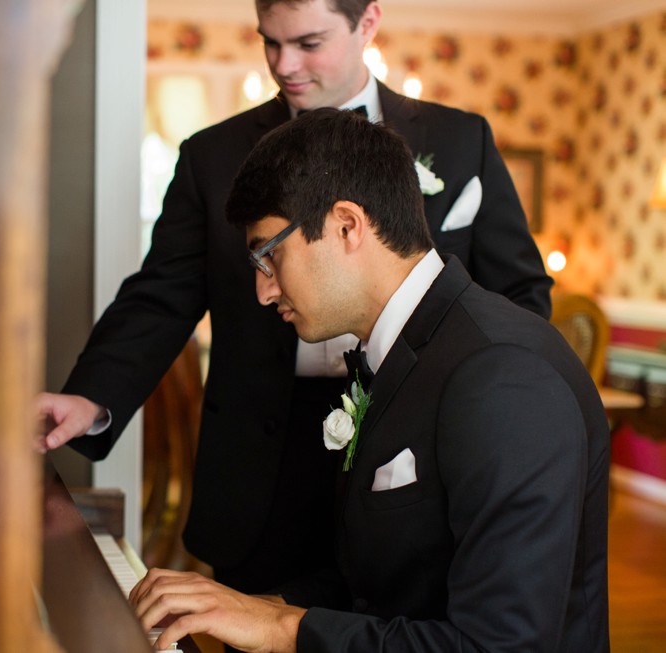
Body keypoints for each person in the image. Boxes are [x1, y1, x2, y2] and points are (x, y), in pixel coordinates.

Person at [37, 0, 554, 595]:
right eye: (270, 42)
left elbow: (519, 294)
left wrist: (491, 409)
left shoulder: (462, 142)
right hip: (266, 461)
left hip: (412, 440)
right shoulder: (214, 156)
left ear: (368, 23)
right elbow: (160, 297)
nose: (285, 64)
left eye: (308, 43)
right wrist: (89, 396)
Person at [129, 108, 609, 653]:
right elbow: (386, 582)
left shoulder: (502, 377)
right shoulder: (400, 347)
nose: (262, 291)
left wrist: (285, 629)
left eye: (269, 254)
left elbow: (501, 646)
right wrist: (259, 606)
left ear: (347, 226)